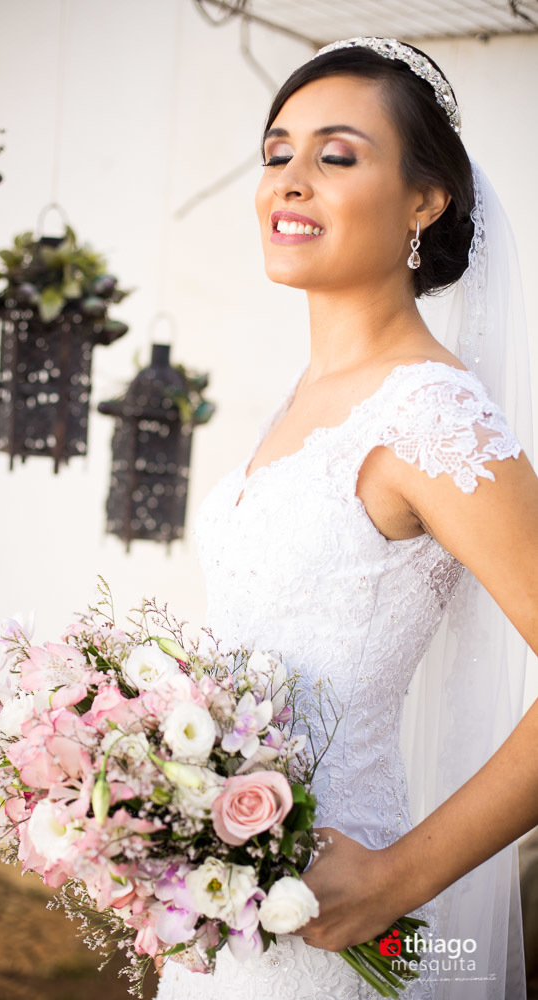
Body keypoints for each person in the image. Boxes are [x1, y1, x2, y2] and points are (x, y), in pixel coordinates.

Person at [154, 36, 537, 1000]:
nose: (288, 180)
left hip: (339, 918)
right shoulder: (299, 398)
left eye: (335, 155)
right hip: (220, 910)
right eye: (276, 151)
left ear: (423, 200)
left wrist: (390, 884)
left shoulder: (430, 417)